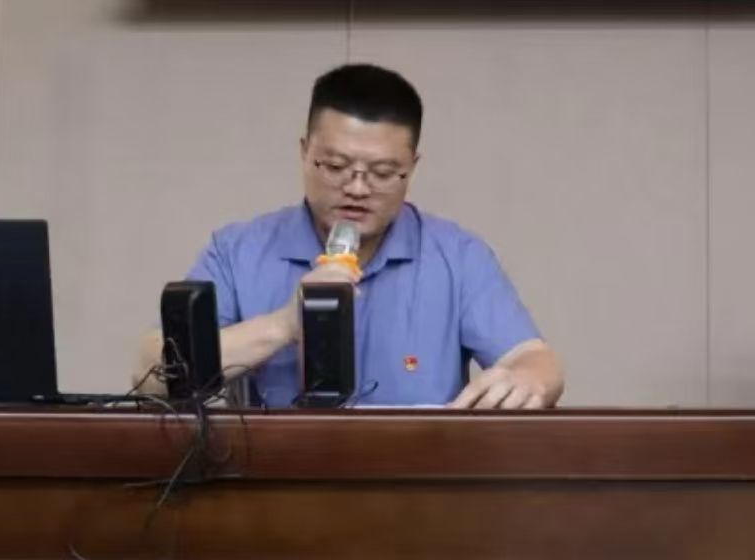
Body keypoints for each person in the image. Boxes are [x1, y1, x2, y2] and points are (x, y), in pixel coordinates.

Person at [136, 63, 564, 409]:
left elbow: (535, 361)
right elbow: (150, 373)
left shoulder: (458, 255)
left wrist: (529, 379)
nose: (357, 188)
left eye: (383, 172)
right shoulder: (238, 250)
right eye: (336, 167)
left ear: (412, 168)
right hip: (271, 480)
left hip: (413, 480)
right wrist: (284, 325)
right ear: (305, 152)